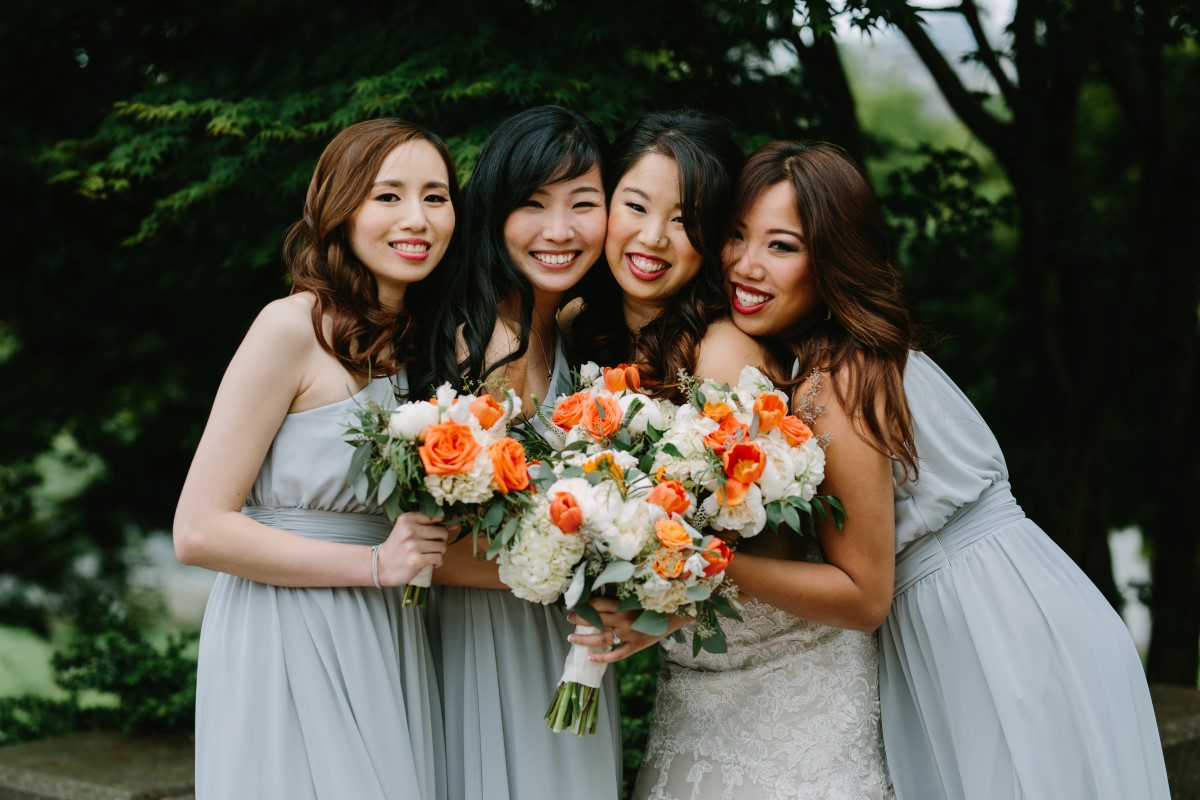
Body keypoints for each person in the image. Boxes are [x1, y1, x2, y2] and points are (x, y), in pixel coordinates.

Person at [719, 139, 1171, 799]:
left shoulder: (835, 382)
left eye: (781, 246)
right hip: (1036, 601)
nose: (746, 265)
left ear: (832, 259)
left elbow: (863, 594)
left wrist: (704, 563)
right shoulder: (863, 354)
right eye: (736, 236)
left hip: (988, 633)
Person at [570, 110, 895, 800]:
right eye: (634, 205)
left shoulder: (721, 353)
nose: (652, 238)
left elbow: (768, 543)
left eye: (685, 221)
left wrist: (664, 604)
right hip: (692, 689)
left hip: (784, 681)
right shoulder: (584, 336)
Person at [173, 118, 461, 800]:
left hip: (387, 629)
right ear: (341, 209)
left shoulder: (422, 349)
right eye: (388, 196)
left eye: (436, 196)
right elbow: (198, 529)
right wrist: (373, 564)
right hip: (286, 625)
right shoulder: (290, 328)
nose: (416, 218)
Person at [421, 104, 623, 800]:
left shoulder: (569, 328)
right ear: (493, 212)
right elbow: (439, 551)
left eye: (583, 204)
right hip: (490, 638)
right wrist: (599, 568)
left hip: (561, 634)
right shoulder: (478, 341)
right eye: (531, 205)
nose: (559, 231)